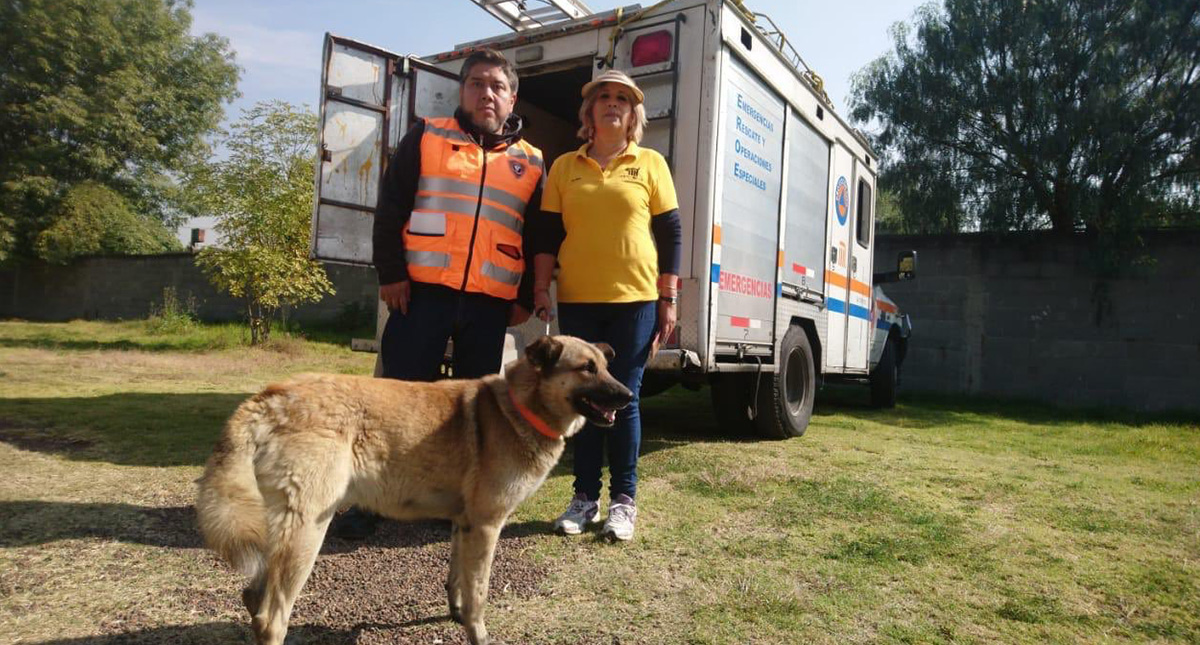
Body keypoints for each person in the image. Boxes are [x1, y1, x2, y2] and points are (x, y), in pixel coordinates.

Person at [332, 48, 544, 540]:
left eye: (496, 86)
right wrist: (391, 273)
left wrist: (526, 297)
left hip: (490, 304)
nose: (485, 93)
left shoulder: (532, 161)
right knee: (397, 400)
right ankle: (373, 501)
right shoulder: (426, 136)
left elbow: (535, 237)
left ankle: (457, 500)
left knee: (474, 409)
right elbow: (391, 210)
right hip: (420, 294)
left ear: (512, 97)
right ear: (462, 91)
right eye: (475, 83)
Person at [531, 69, 682, 542]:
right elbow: (547, 234)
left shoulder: (651, 163)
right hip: (578, 298)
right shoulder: (564, 167)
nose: (613, 104)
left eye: (622, 98)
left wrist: (668, 297)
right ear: (590, 111)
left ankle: (623, 503)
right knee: (583, 399)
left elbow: (671, 233)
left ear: (633, 112)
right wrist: (540, 287)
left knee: (624, 398)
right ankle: (583, 500)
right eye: (604, 97)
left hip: (635, 299)